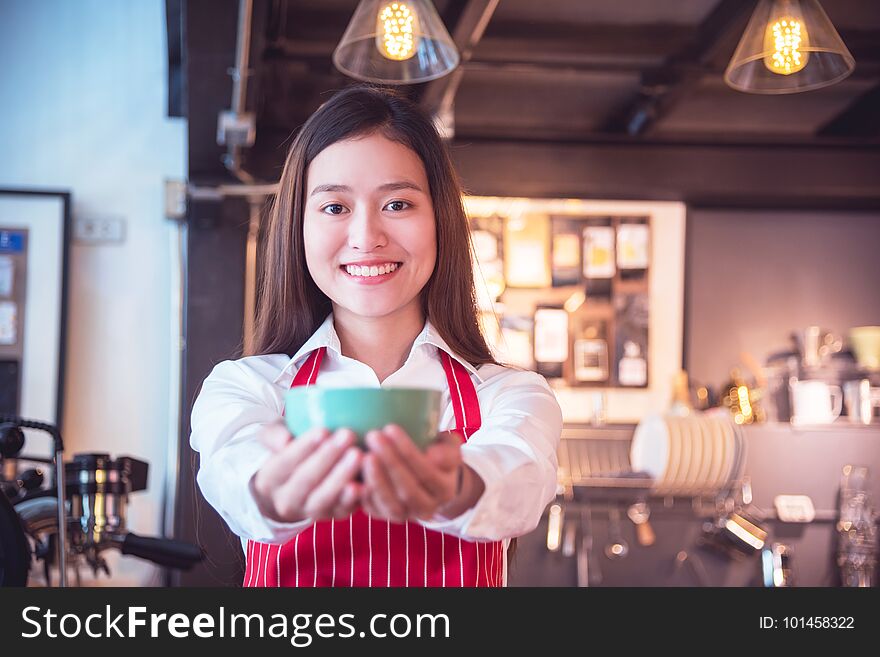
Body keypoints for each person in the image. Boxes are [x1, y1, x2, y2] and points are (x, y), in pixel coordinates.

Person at [190, 85, 562, 587]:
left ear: (440, 221)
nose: (366, 237)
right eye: (335, 208)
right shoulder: (245, 386)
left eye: (398, 204)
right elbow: (233, 472)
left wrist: (455, 488)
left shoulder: (508, 395)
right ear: (297, 229)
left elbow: (521, 477)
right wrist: (271, 494)